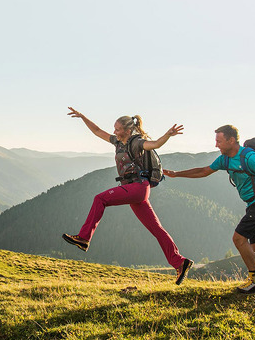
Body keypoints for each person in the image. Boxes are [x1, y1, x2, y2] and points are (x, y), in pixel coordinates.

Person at [162, 124, 255, 294]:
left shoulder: (250, 159)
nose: (216, 145)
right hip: (253, 203)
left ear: (231, 140)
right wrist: (177, 174)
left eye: (219, 141)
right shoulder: (225, 159)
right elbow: (204, 171)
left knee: (239, 239)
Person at [62, 107, 195, 285]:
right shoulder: (118, 142)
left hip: (138, 187)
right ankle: (180, 262)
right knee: (156, 229)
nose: (114, 132)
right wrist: (82, 117)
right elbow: (97, 131)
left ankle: (84, 238)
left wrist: (168, 135)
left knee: (100, 199)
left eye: (117, 129)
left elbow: (154, 144)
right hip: (135, 190)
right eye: (114, 129)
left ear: (127, 129)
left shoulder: (136, 142)